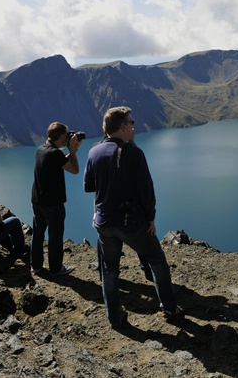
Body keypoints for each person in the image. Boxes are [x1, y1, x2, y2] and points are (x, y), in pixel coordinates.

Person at [84, 106, 182, 328]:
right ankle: (169, 308)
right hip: (131, 223)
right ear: (123, 127)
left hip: (103, 222)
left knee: (110, 270)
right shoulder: (134, 154)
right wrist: (151, 219)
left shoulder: (93, 151)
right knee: (157, 261)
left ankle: (114, 316)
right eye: (132, 122)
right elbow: (147, 191)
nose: (134, 126)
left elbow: (89, 186)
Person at [31, 122, 82, 277]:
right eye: (66, 135)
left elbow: (61, 162)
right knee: (55, 236)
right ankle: (56, 268)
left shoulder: (42, 149)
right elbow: (75, 170)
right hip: (52, 204)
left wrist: (74, 149)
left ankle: (37, 266)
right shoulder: (54, 153)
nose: (68, 137)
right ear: (61, 137)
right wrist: (71, 148)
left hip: (38, 200)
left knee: (38, 234)